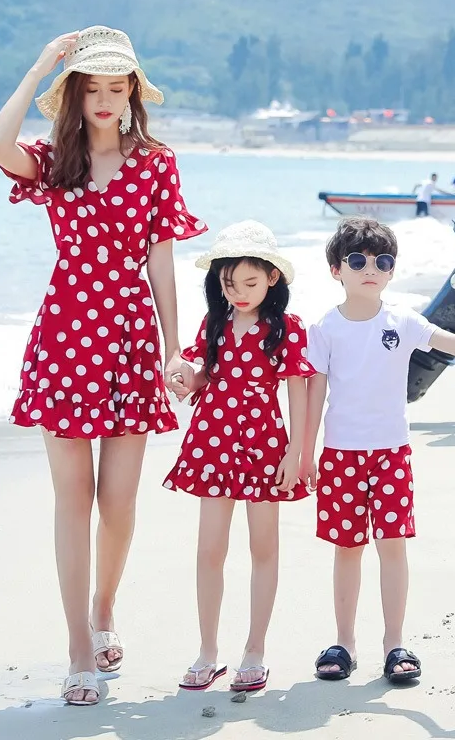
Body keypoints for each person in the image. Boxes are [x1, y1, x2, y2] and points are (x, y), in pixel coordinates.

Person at [0, 26, 207, 706]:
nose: (106, 100)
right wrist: (40, 64)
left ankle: (104, 606)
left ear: (133, 94)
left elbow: (162, 264)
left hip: (130, 339)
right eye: (93, 88)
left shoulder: (156, 164)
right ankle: (79, 651)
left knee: (117, 503)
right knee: (72, 500)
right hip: (64, 341)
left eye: (118, 88)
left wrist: (176, 348)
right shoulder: (54, 162)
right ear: (75, 96)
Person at [301, 216, 455, 684]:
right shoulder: (325, 328)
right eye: (358, 260)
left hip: (391, 453)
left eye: (382, 261)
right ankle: (343, 643)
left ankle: (394, 643)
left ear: (391, 272)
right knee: (347, 550)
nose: (371, 268)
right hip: (340, 455)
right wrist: (304, 453)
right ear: (336, 270)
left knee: (392, 547)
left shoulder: (403, 321)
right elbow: (314, 396)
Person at [164, 221, 315, 693]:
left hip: (265, 442)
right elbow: (205, 377)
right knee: (210, 549)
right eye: (229, 284)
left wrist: (298, 452)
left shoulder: (287, 327)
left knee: (263, 547)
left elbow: (299, 391)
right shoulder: (214, 323)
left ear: (272, 277)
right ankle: (207, 651)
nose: (239, 292)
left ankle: (255, 649)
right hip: (214, 439)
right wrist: (185, 378)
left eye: (250, 282)